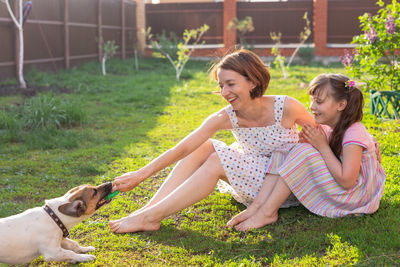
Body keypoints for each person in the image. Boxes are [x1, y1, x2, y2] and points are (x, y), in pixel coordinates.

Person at [108, 49, 315, 234]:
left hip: (283, 184)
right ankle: (147, 212)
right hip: (253, 176)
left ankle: (150, 218)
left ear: (252, 81)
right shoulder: (225, 116)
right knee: (204, 146)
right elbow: (183, 148)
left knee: (217, 160)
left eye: (231, 84)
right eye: (221, 85)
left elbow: (320, 137)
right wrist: (140, 174)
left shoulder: (287, 106)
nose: (224, 93)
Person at [227, 73, 386, 232]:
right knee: (287, 148)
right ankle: (257, 206)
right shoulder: (327, 127)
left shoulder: (354, 132)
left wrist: (321, 146)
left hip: (355, 197)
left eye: (319, 101)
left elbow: (347, 182)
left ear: (341, 105)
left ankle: (268, 212)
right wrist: (307, 144)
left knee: (302, 152)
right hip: (342, 188)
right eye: (312, 100)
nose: (312, 107)